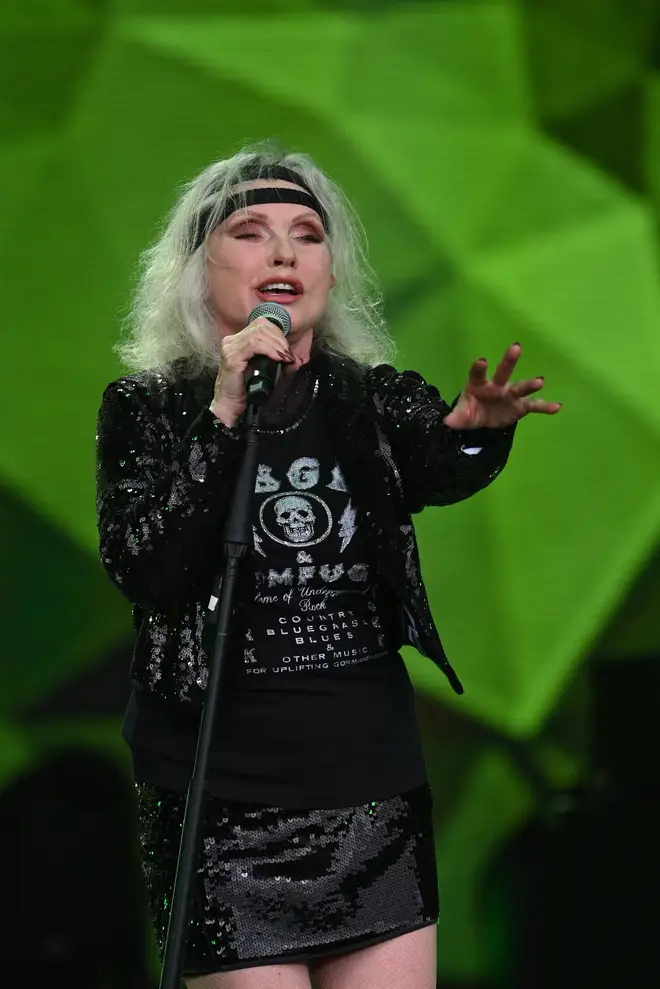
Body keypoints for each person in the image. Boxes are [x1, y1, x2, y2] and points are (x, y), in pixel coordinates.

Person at [95, 142, 560, 989]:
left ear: (329, 273)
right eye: (251, 232)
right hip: (222, 799)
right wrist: (227, 411)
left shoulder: (369, 398)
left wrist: (474, 428)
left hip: (369, 788)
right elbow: (146, 565)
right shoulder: (151, 410)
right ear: (198, 269)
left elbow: (435, 457)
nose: (283, 252)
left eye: (307, 235)